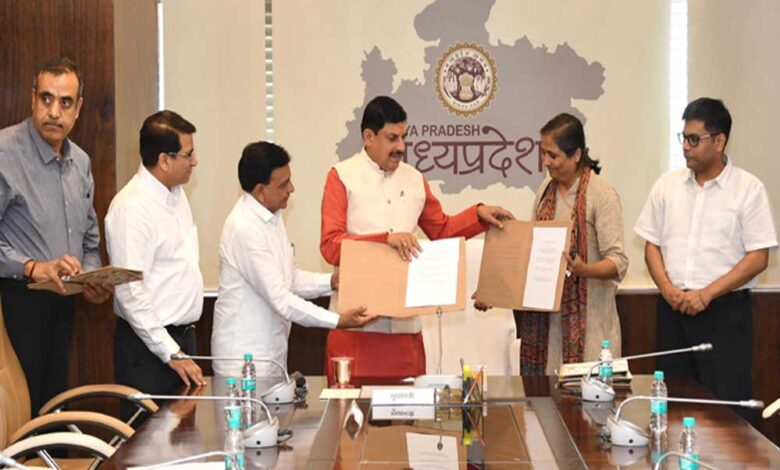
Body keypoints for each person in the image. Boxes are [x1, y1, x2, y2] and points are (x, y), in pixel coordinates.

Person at [320, 95, 513, 378]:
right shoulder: (342, 176)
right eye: (392, 138)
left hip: (405, 330)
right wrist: (384, 240)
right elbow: (331, 245)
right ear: (369, 137)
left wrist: (478, 215)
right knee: (352, 407)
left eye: (404, 137)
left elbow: (442, 231)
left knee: (408, 405)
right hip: (356, 327)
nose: (401, 147)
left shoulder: (414, 178)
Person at [635, 98, 776, 401]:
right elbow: (651, 245)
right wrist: (667, 289)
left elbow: (758, 257)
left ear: (719, 141)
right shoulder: (667, 186)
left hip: (724, 314)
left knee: (726, 406)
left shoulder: (748, 189)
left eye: (694, 139)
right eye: (683, 138)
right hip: (672, 312)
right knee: (671, 402)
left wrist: (707, 294)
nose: (686, 147)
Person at [0, 58, 112, 416]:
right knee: (20, 420)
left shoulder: (81, 162)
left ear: (78, 108)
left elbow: (89, 240)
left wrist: (91, 277)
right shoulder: (5, 153)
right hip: (16, 304)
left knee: (53, 414)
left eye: (65, 102)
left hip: (65, 306)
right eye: (46, 98)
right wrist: (33, 267)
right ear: (32, 97)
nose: (53, 112)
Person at [211, 142, 377, 378]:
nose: (292, 188)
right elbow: (280, 298)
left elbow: (290, 278)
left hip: (271, 354)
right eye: (283, 185)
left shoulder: (273, 215)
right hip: (242, 360)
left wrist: (332, 282)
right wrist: (337, 320)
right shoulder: (244, 228)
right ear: (260, 191)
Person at [500, 113, 628, 376]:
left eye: (553, 155)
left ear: (576, 154)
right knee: (544, 399)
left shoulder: (601, 194)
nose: (546, 162)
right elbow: (533, 252)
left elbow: (618, 262)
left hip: (591, 331)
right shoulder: (545, 191)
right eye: (543, 154)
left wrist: (584, 270)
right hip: (547, 331)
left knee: (585, 400)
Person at [105, 110, 207, 411]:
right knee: (147, 439)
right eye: (188, 154)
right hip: (149, 351)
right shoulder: (132, 208)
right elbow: (130, 292)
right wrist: (170, 352)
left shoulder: (176, 195)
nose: (195, 161)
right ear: (164, 160)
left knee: (184, 438)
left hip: (182, 342)